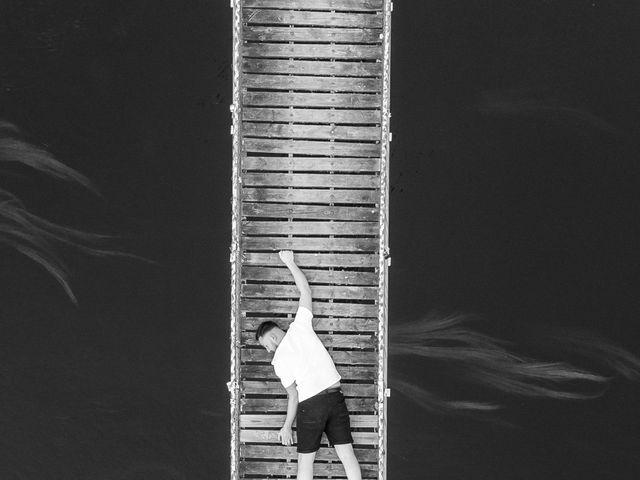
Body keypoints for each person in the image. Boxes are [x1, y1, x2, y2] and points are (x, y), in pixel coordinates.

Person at [255, 250, 362, 480]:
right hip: (335, 397)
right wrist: (289, 262)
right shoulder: (300, 326)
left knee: (305, 461)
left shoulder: (278, 360)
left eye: (265, 345)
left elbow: (293, 396)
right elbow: (305, 290)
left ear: (273, 337)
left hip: (311, 404)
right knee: (347, 455)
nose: (268, 350)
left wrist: (286, 426)